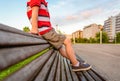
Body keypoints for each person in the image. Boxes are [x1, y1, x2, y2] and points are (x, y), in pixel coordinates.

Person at [26, 0, 91, 72]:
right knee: (67, 41)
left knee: (61, 49)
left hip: (47, 30)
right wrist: (34, 28)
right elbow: (34, 12)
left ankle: (75, 61)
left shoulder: (42, 2)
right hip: (45, 31)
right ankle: (76, 65)